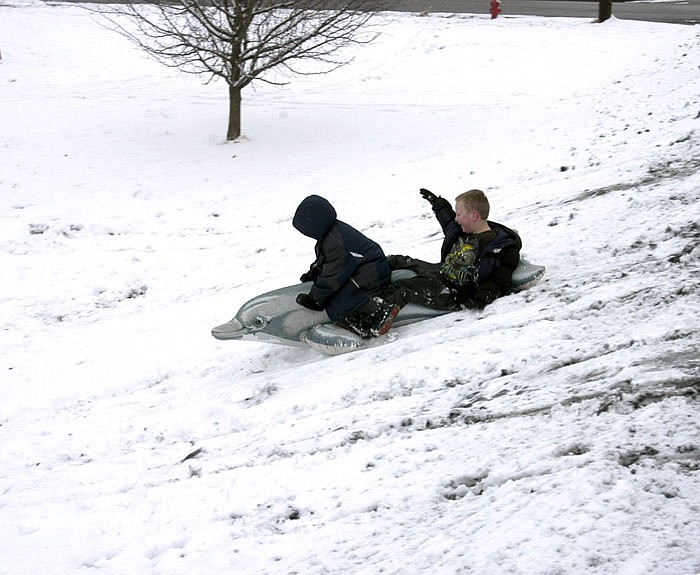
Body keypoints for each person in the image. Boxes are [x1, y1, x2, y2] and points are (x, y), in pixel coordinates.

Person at [382, 188, 522, 311]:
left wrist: (481, 298)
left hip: (453, 291)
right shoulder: (465, 230)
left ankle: (371, 319)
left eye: (459, 214)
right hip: (441, 271)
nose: (456, 218)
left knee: (403, 289)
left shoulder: (500, 247)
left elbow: (499, 279)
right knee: (399, 260)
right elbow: (449, 221)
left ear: (473, 216)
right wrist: (439, 205)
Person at [293, 194, 400, 337]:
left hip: (374, 270)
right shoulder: (329, 236)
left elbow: (333, 276)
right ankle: (356, 318)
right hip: (364, 268)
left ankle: (379, 314)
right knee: (337, 298)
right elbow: (325, 261)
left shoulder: (334, 241)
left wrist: (315, 298)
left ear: (315, 225)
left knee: (341, 300)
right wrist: (313, 273)